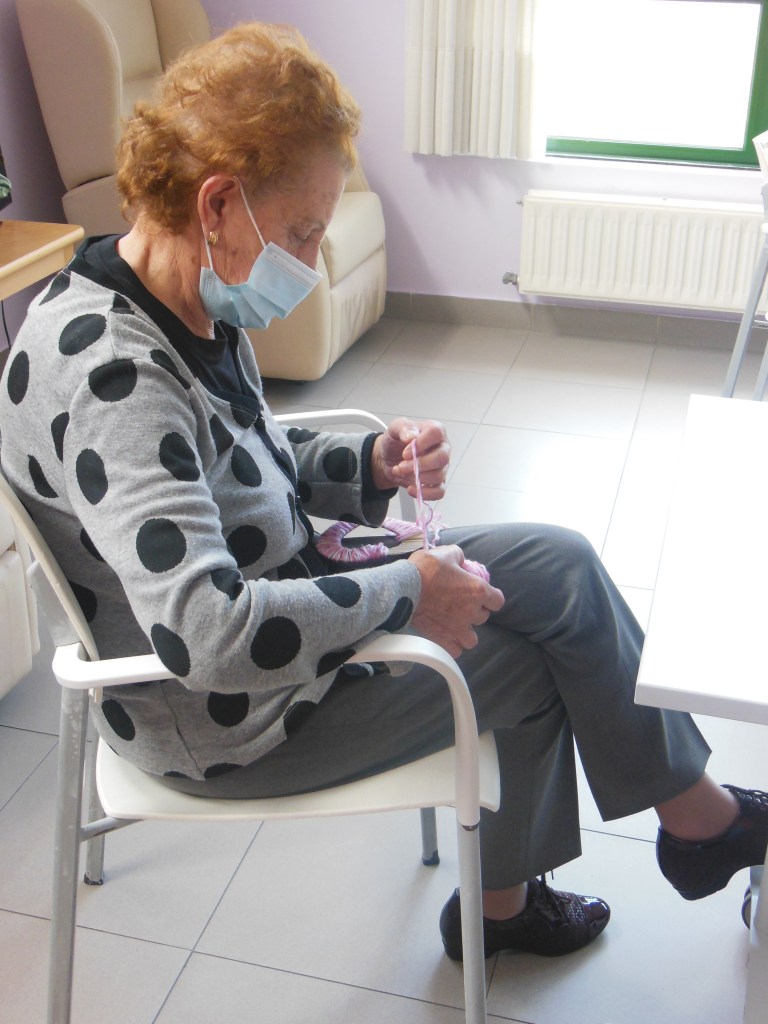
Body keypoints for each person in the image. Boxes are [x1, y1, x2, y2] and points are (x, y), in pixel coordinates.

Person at [1, 21, 766, 962]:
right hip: (235, 713)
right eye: (302, 232)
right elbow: (205, 635)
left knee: (559, 563)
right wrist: (408, 591)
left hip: (289, 603)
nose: (311, 258)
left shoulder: (178, 287)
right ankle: (513, 909)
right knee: (527, 661)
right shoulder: (116, 379)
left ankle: (698, 820)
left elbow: (233, 462)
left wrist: (368, 465)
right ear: (219, 202)